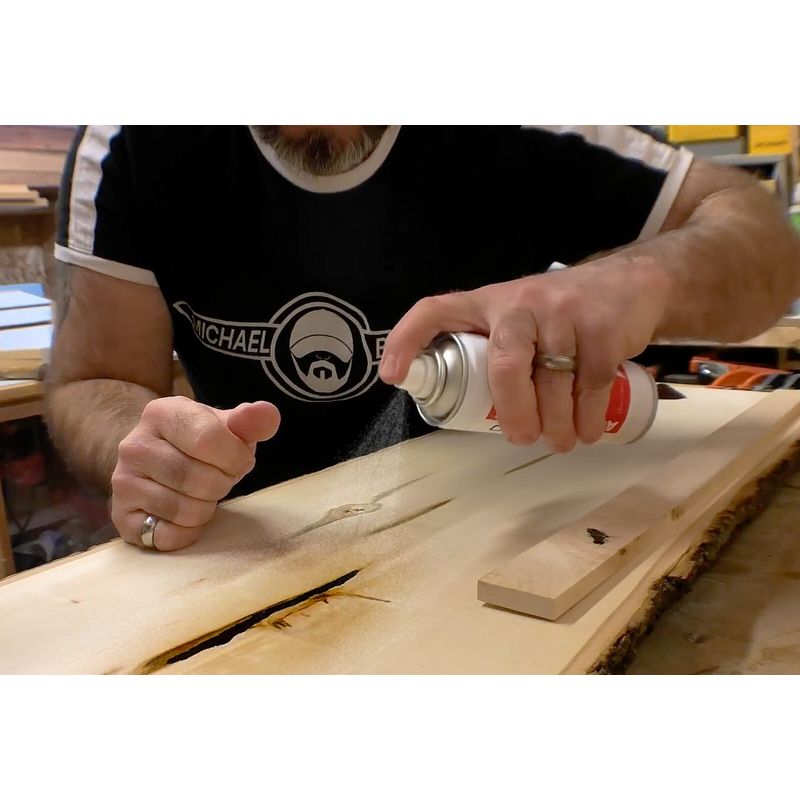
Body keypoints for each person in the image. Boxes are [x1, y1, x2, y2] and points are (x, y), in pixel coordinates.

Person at [47, 125, 800, 553]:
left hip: (501, 532)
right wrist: (151, 457)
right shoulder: (133, 138)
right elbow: (92, 380)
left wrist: (636, 280)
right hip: (255, 550)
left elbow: (761, 237)